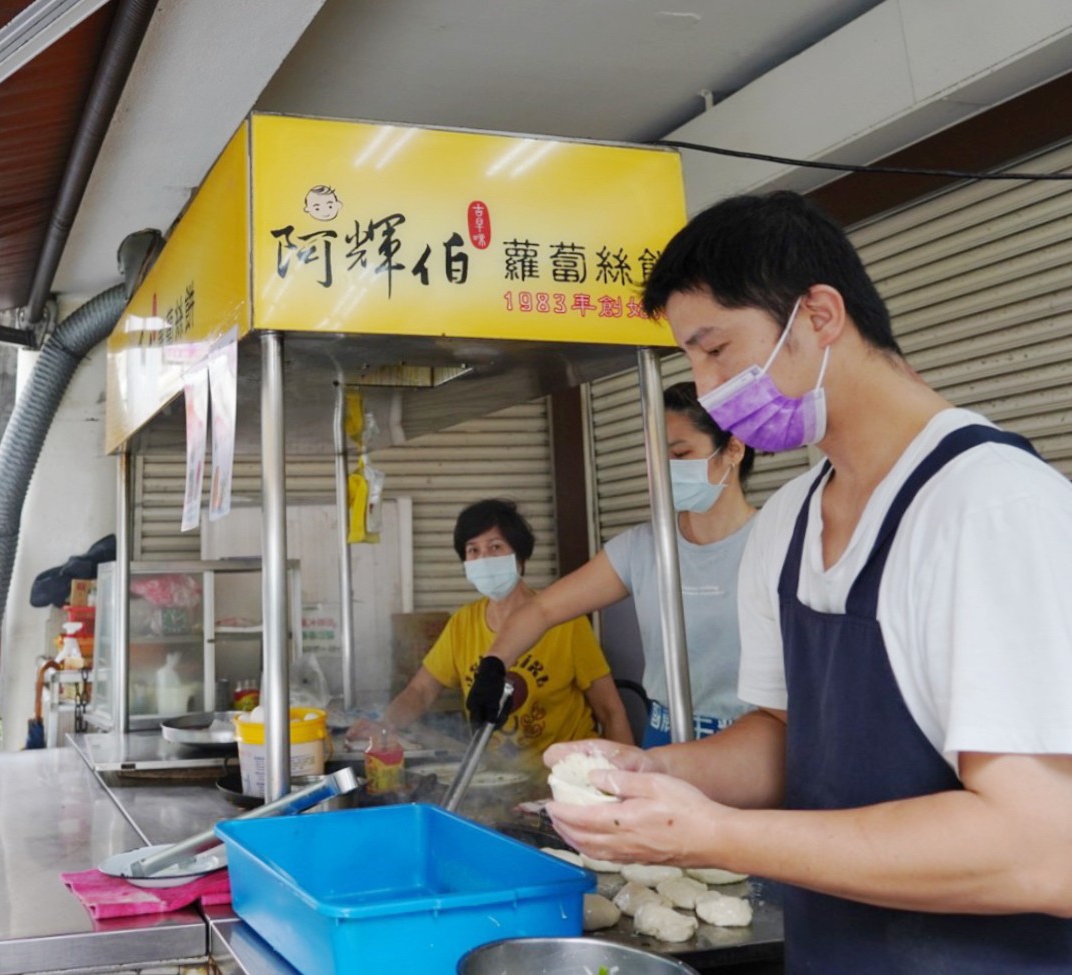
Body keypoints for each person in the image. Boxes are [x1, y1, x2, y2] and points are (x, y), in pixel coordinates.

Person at [518, 190, 1072, 972]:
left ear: (817, 315)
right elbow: (785, 736)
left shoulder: (989, 510)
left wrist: (711, 833)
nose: (708, 390)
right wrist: (656, 773)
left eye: (715, 351)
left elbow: (1044, 847)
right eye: (691, 361)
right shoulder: (786, 522)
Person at [477, 381, 756, 748]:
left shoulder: (774, 542)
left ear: (733, 449)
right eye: (658, 457)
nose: (666, 469)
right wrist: (495, 663)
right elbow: (542, 609)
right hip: (664, 735)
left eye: (681, 453)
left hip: (748, 742)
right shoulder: (642, 548)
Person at [349, 499, 633, 758]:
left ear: (520, 558)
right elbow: (421, 690)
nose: (484, 558)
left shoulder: (565, 620)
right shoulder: (462, 624)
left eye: (495, 547)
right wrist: (385, 725)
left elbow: (610, 711)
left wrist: (626, 785)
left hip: (565, 776)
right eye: (473, 550)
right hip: (494, 781)